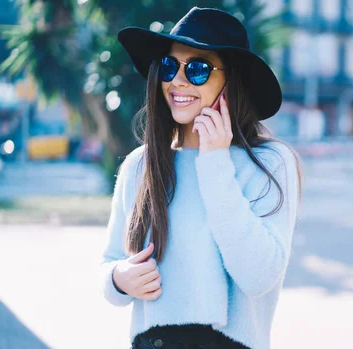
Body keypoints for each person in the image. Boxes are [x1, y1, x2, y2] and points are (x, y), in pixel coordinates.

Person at [99, 7, 303, 349]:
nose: (177, 80)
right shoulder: (140, 165)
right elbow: (109, 267)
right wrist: (121, 279)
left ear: (231, 81)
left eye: (197, 69)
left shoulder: (269, 163)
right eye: (168, 66)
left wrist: (214, 161)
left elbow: (258, 276)